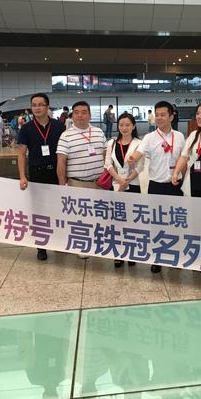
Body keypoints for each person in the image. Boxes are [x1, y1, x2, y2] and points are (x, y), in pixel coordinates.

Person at [127, 101, 185, 274]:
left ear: (171, 116)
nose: (159, 118)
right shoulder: (150, 137)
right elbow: (139, 152)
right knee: (157, 224)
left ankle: (175, 256)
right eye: (157, 115)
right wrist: (132, 158)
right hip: (156, 186)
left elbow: (183, 159)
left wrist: (182, 178)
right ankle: (157, 258)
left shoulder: (179, 136)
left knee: (175, 223)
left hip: (175, 186)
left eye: (163, 115)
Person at [17, 93, 66, 261]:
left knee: (57, 208)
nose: (37, 108)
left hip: (56, 172)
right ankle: (41, 246)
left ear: (47, 106)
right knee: (39, 210)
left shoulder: (59, 126)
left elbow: (65, 153)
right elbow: (21, 154)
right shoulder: (26, 128)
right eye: (34, 105)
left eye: (40, 104)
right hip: (37, 172)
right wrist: (22, 176)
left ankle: (59, 241)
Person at [104, 112, 144, 268]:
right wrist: (119, 180)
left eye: (127, 124)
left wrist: (126, 181)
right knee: (117, 221)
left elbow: (140, 166)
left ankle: (132, 252)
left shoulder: (139, 143)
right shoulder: (112, 143)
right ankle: (118, 253)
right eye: (121, 124)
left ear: (133, 126)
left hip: (133, 185)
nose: (124, 128)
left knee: (132, 221)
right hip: (116, 185)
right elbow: (108, 164)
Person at [57, 101, 106, 189]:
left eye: (84, 112)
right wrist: (62, 184)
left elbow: (106, 155)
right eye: (76, 112)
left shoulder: (99, 132)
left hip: (101, 183)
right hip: (77, 184)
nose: (80, 115)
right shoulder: (65, 136)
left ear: (90, 115)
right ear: (72, 116)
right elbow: (61, 162)